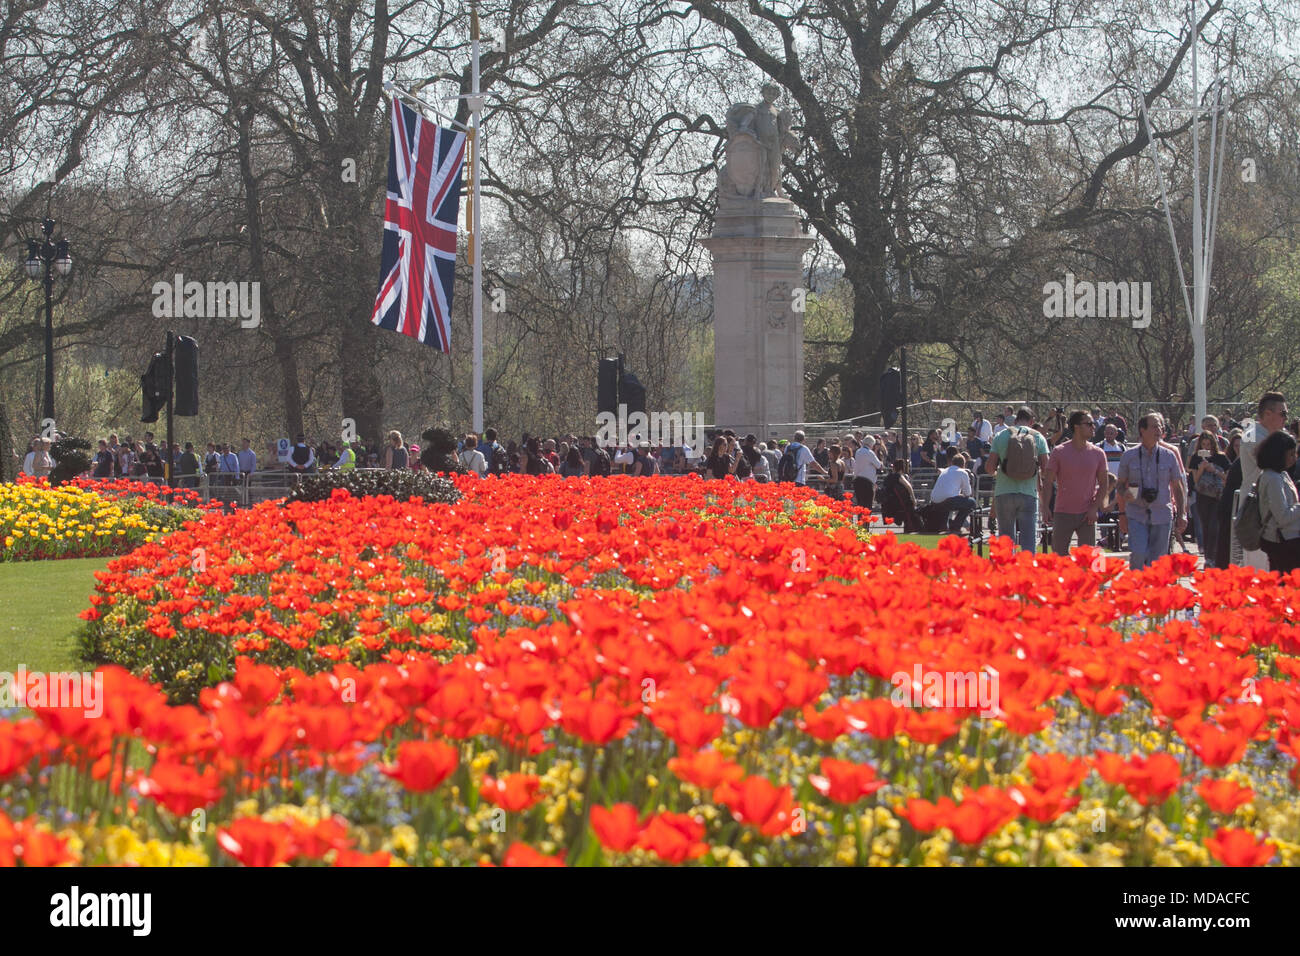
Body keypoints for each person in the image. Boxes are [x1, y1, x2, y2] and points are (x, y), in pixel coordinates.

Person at [1116, 412, 1188, 571]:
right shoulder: (1129, 456)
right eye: (1154, 426)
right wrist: (1124, 495)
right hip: (1136, 513)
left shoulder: (1170, 455)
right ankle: (1136, 590)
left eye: (1161, 427)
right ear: (1142, 430)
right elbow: (1119, 484)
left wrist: (1182, 513)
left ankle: (1153, 592)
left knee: (1158, 560)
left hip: (1162, 514)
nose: (1159, 430)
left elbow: (1177, 487)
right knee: (1139, 554)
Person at [1042, 411, 1109, 556]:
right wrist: (1045, 507)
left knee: (1088, 560)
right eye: (1089, 424)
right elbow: (1047, 482)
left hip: (1087, 515)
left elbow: (1104, 484)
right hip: (1062, 513)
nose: (1093, 427)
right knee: (1058, 558)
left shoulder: (1098, 453)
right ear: (1076, 427)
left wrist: (1094, 508)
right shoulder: (1059, 452)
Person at [985, 406, 1050, 552]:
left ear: (1015, 420)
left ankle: (1007, 570)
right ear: (1032, 421)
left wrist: (999, 470)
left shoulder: (1001, 436)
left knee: (1006, 540)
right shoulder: (1038, 437)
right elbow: (1047, 470)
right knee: (1028, 539)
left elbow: (989, 468)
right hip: (1028, 492)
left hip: (1004, 491)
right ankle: (1027, 571)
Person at [1238, 392, 1289, 570]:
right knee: (1259, 572)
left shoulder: (1280, 436)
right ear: (1267, 413)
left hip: (1278, 513)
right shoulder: (1251, 435)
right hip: (1256, 515)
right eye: (1282, 413)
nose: (1286, 418)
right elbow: (1275, 460)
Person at [1255, 430, 1300, 573]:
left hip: (1286, 539)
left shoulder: (1281, 474)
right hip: (1282, 542)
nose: (1294, 458)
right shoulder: (1273, 478)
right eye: (1291, 454)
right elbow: (1282, 517)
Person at [1189, 430, 1230, 568]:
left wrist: (1215, 470)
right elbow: (1195, 480)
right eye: (1203, 444)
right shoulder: (1196, 457)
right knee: (1205, 527)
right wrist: (1201, 468)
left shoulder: (1221, 458)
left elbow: (1228, 478)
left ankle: (1214, 557)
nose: (1206, 447)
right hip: (1202, 496)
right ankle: (1208, 557)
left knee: (1214, 526)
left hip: (1218, 496)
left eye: (1209, 444)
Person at [930, 453, 977, 534]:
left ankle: (944, 525)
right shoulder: (963, 472)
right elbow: (968, 493)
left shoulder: (945, 471)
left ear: (952, 462)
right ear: (964, 464)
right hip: (948, 501)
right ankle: (956, 525)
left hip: (934, 501)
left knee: (948, 500)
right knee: (972, 502)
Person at [879, 459, 920, 533]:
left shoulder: (887, 478)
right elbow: (908, 486)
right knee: (912, 508)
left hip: (888, 505)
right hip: (900, 505)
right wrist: (914, 499)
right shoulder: (898, 476)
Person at [852, 435, 884, 511]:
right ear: (871, 444)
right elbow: (879, 465)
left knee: (860, 504)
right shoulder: (870, 453)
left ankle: (860, 520)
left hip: (858, 479)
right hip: (868, 481)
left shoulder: (858, 451)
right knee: (867, 504)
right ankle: (866, 522)